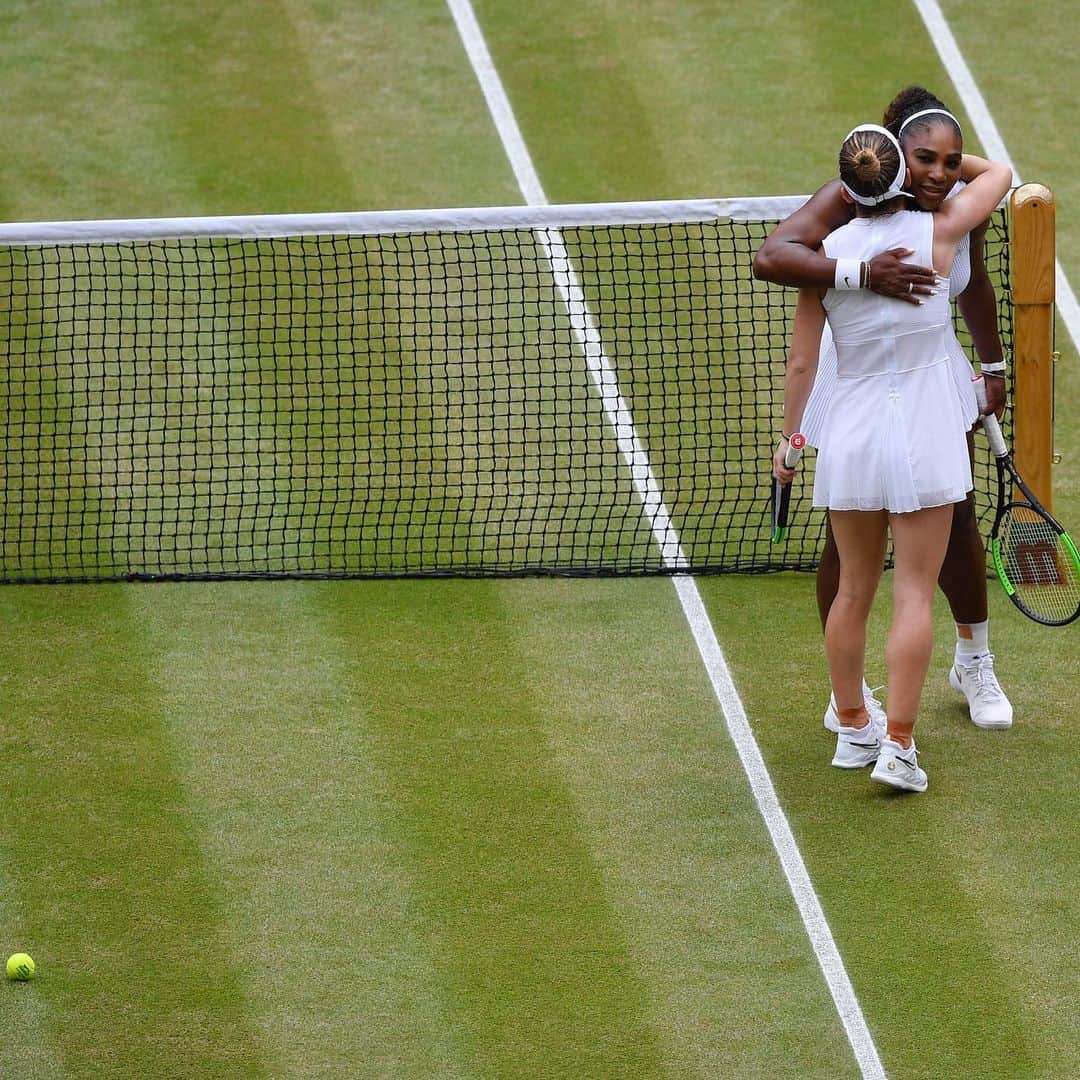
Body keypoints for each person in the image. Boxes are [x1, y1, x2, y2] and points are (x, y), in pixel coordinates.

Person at [754, 88, 1014, 733]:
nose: (939, 173)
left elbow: (974, 283)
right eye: (923, 158)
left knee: (955, 522)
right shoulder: (847, 196)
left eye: (951, 161)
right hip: (860, 377)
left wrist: (993, 365)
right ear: (895, 156)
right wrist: (864, 273)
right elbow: (772, 257)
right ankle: (851, 694)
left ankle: (974, 661)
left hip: (934, 377)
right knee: (845, 550)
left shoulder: (955, 212)